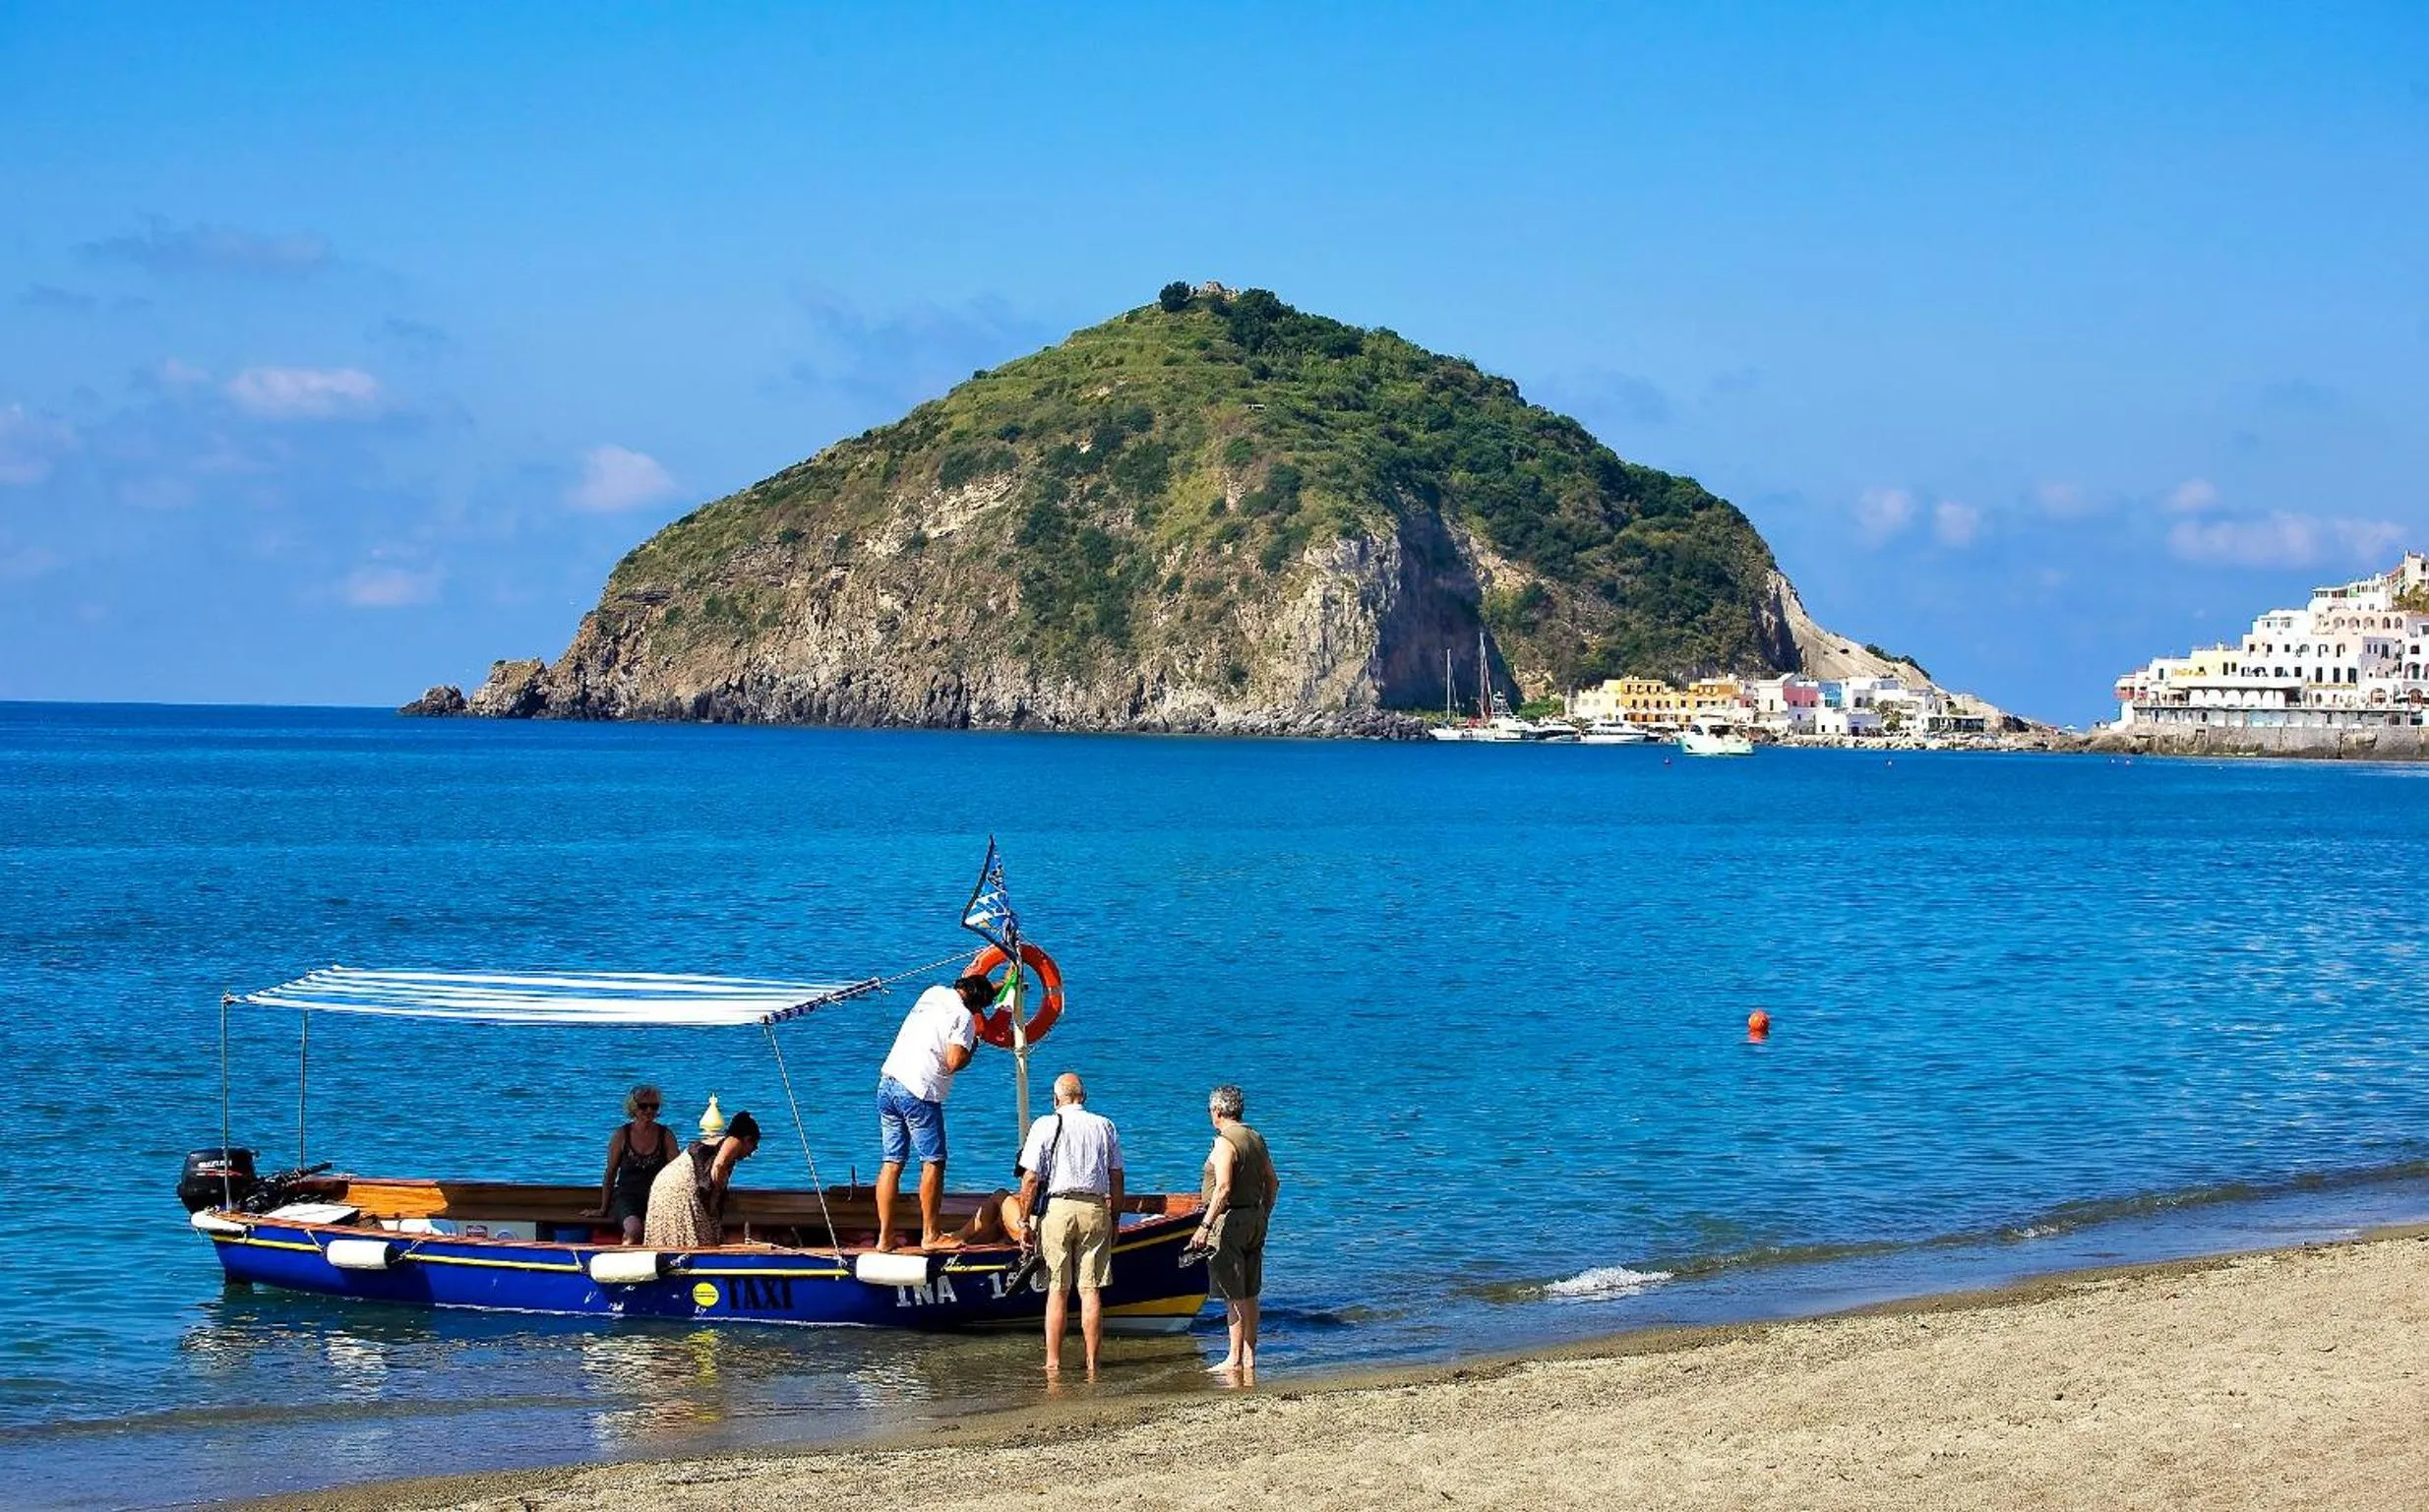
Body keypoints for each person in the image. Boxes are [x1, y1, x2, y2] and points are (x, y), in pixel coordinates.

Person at [874, 971, 996, 1251]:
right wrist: (973, 1045)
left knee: (892, 1163)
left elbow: (974, 986)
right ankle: (930, 1234)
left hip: (888, 1083)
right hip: (919, 1092)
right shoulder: (964, 1018)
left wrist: (1004, 981)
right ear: (976, 1006)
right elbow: (954, 1061)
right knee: (933, 1161)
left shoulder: (933, 993)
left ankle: (885, 1238)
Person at [1016, 1071, 1123, 1377]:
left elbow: (1031, 1178)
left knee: (1057, 1289)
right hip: (1095, 1207)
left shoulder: (1045, 1125)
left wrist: (1025, 1221)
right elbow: (1116, 1177)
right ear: (1084, 1097)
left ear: (1055, 1099)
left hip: (1057, 1209)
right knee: (1090, 1290)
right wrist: (1115, 1218)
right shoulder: (1105, 1125)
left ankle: (1053, 1362)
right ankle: (1093, 1362)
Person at [1191, 1083, 1278, 1377]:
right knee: (1251, 1290)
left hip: (1229, 1222)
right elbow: (1273, 1182)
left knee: (1233, 1292)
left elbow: (1224, 1187)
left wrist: (1205, 1225)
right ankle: (1250, 1356)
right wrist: (1263, 1212)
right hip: (1254, 1218)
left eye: (1210, 1110)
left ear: (1218, 1111)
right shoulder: (1255, 1137)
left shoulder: (1225, 1142)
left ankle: (1234, 1357)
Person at [641, 1106, 761, 1247]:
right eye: (753, 1147)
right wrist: (714, 1199)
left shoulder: (719, 1141)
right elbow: (719, 1165)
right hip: (682, 1186)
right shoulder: (734, 1141)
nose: (750, 1154)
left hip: (664, 1184)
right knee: (700, 1241)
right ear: (747, 1139)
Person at [589, 1083, 676, 1244]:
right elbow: (610, 1173)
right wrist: (603, 1208)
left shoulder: (666, 1135)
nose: (649, 1111)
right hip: (626, 1197)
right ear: (633, 1108)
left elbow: (677, 1173)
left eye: (654, 1106)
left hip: (658, 1198)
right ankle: (622, 1264)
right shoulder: (621, 1135)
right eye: (643, 1106)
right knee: (634, 1230)